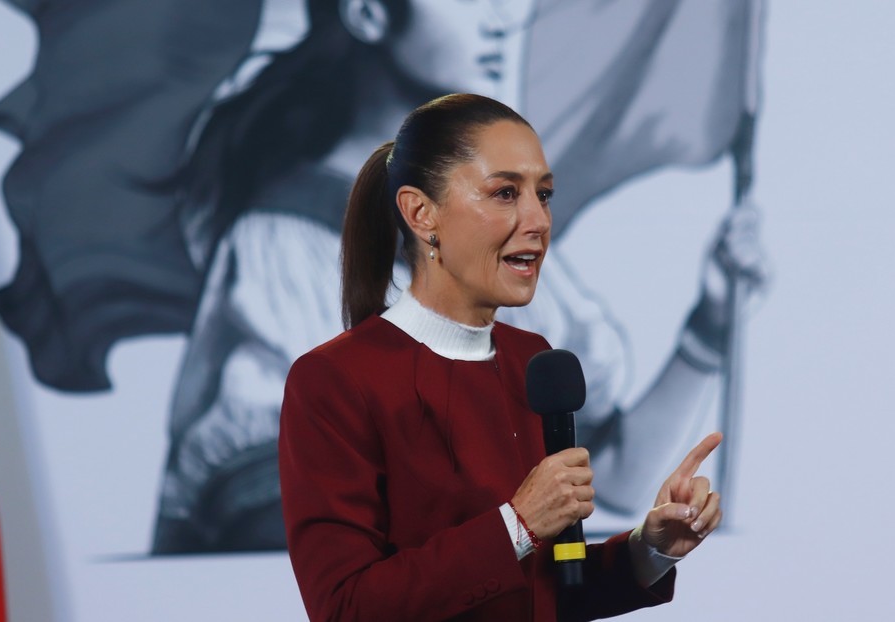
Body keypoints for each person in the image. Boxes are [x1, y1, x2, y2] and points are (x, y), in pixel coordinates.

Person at [152, 0, 761, 553]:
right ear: (368, 13)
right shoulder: (285, 247)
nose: (501, 19)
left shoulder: (505, 250)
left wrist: (707, 330)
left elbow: (609, 488)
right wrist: (518, 526)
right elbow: (291, 544)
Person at [279, 93, 723, 621]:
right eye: (505, 193)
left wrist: (648, 550)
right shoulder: (334, 381)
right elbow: (345, 608)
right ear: (421, 213)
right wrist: (518, 524)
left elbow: (549, 589)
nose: (538, 220)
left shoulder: (533, 362)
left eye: (544, 194)